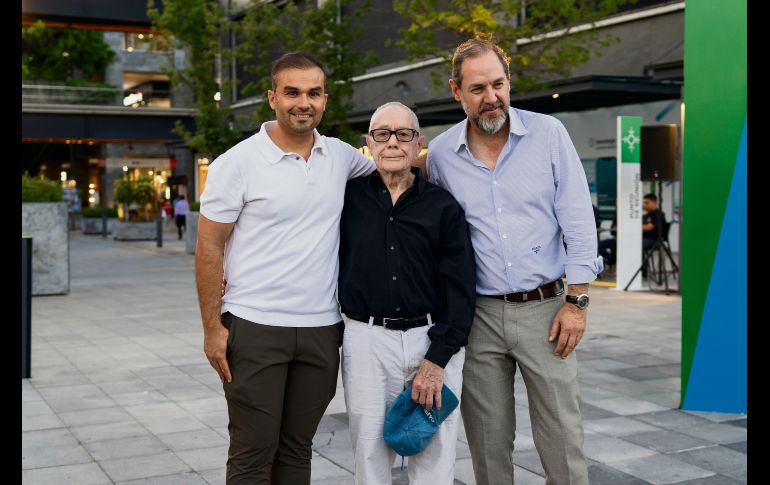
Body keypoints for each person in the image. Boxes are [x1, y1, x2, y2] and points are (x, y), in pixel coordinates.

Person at [426, 38, 602, 485]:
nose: (491, 98)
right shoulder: (443, 154)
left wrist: (577, 302)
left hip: (548, 309)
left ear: (509, 82)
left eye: (498, 84)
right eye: (478, 88)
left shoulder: (549, 135)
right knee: (487, 441)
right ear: (456, 92)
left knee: (562, 436)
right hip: (479, 315)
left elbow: (579, 219)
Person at [195, 52, 374, 484]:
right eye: (292, 92)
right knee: (253, 454)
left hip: (321, 329)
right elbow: (208, 246)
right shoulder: (236, 163)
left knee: (297, 451)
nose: (303, 102)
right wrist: (212, 329)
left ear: (325, 99)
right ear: (272, 97)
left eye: (313, 93)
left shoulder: (341, 157)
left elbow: (397, 166)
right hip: (254, 328)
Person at [338, 102, 477, 483]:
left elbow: (462, 289)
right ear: (369, 143)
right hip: (366, 340)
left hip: (430, 340)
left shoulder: (443, 206)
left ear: (419, 144)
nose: (393, 142)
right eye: (382, 133)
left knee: (434, 454)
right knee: (369, 453)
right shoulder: (346, 200)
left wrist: (437, 359)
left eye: (403, 134)